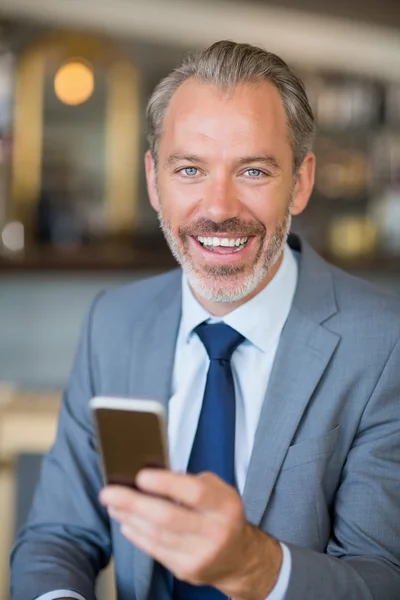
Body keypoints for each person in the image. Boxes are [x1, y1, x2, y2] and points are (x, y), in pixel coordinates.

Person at [10, 41, 400, 600]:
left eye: (254, 171)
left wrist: (254, 567)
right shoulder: (113, 323)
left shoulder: (385, 345)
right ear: (153, 181)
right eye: (190, 169)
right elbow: (57, 537)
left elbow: (384, 578)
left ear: (302, 181)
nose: (218, 207)